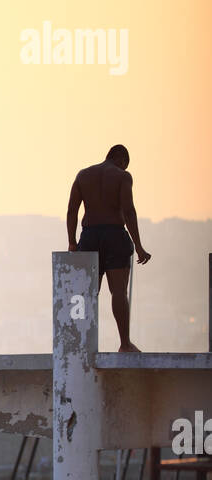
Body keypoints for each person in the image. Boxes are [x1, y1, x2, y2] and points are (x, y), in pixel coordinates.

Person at [67, 145, 151, 352]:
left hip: (89, 237)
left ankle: (82, 344)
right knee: (119, 291)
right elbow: (129, 212)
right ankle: (124, 344)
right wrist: (139, 247)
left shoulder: (83, 175)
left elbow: (71, 211)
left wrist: (72, 242)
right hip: (114, 235)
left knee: (88, 293)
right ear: (121, 160)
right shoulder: (122, 176)